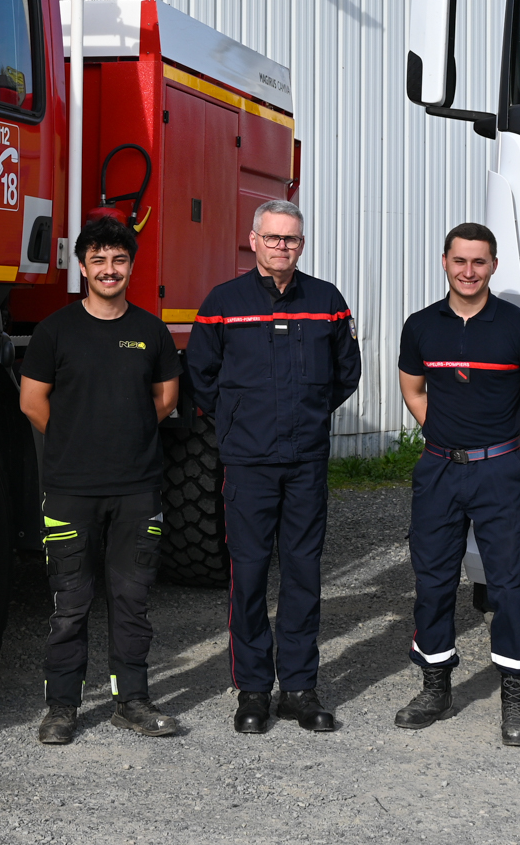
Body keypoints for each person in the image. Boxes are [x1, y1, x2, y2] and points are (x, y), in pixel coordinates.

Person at [189, 199, 361, 735]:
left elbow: (346, 373)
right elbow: (201, 375)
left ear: (301, 245)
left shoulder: (326, 301)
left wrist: (308, 414)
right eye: (272, 237)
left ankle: (300, 690)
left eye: (291, 239)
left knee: (304, 574)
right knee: (249, 576)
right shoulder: (223, 302)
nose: (281, 246)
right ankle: (254, 691)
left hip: (305, 461)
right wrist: (237, 421)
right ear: (253, 240)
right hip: (247, 463)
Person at [19, 214, 184, 745]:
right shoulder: (55, 330)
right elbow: (32, 401)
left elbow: (166, 399)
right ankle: (61, 707)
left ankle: (131, 701)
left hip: (137, 489)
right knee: (70, 604)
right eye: (98, 261)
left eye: (118, 260)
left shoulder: (150, 331)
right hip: (70, 489)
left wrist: (124, 435)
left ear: (130, 266)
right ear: (83, 268)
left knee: (132, 602)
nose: (109, 269)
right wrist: (79, 441)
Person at [395, 222, 520, 747]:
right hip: (439, 469)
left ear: (493, 265)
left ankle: (516, 701)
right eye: (460, 261)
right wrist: (445, 434)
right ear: (445, 261)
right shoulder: (420, 326)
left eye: (479, 262)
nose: (469, 271)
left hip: (499, 470)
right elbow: (413, 390)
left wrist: (497, 440)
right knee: (433, 580)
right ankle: (435, 689)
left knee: (510, 585)